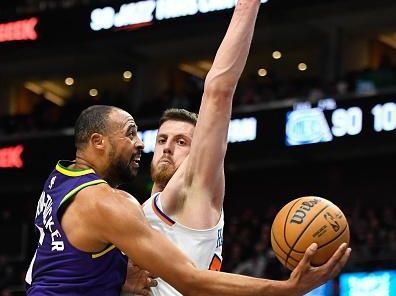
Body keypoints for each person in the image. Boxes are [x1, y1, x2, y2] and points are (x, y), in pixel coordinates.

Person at [26, 1, 350, 296]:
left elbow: (218, 92)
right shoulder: (125, 207)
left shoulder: (196, 185)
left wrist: (246, 7)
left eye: (182, 142)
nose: (162, 147)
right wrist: (119, 280)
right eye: (162, 139)